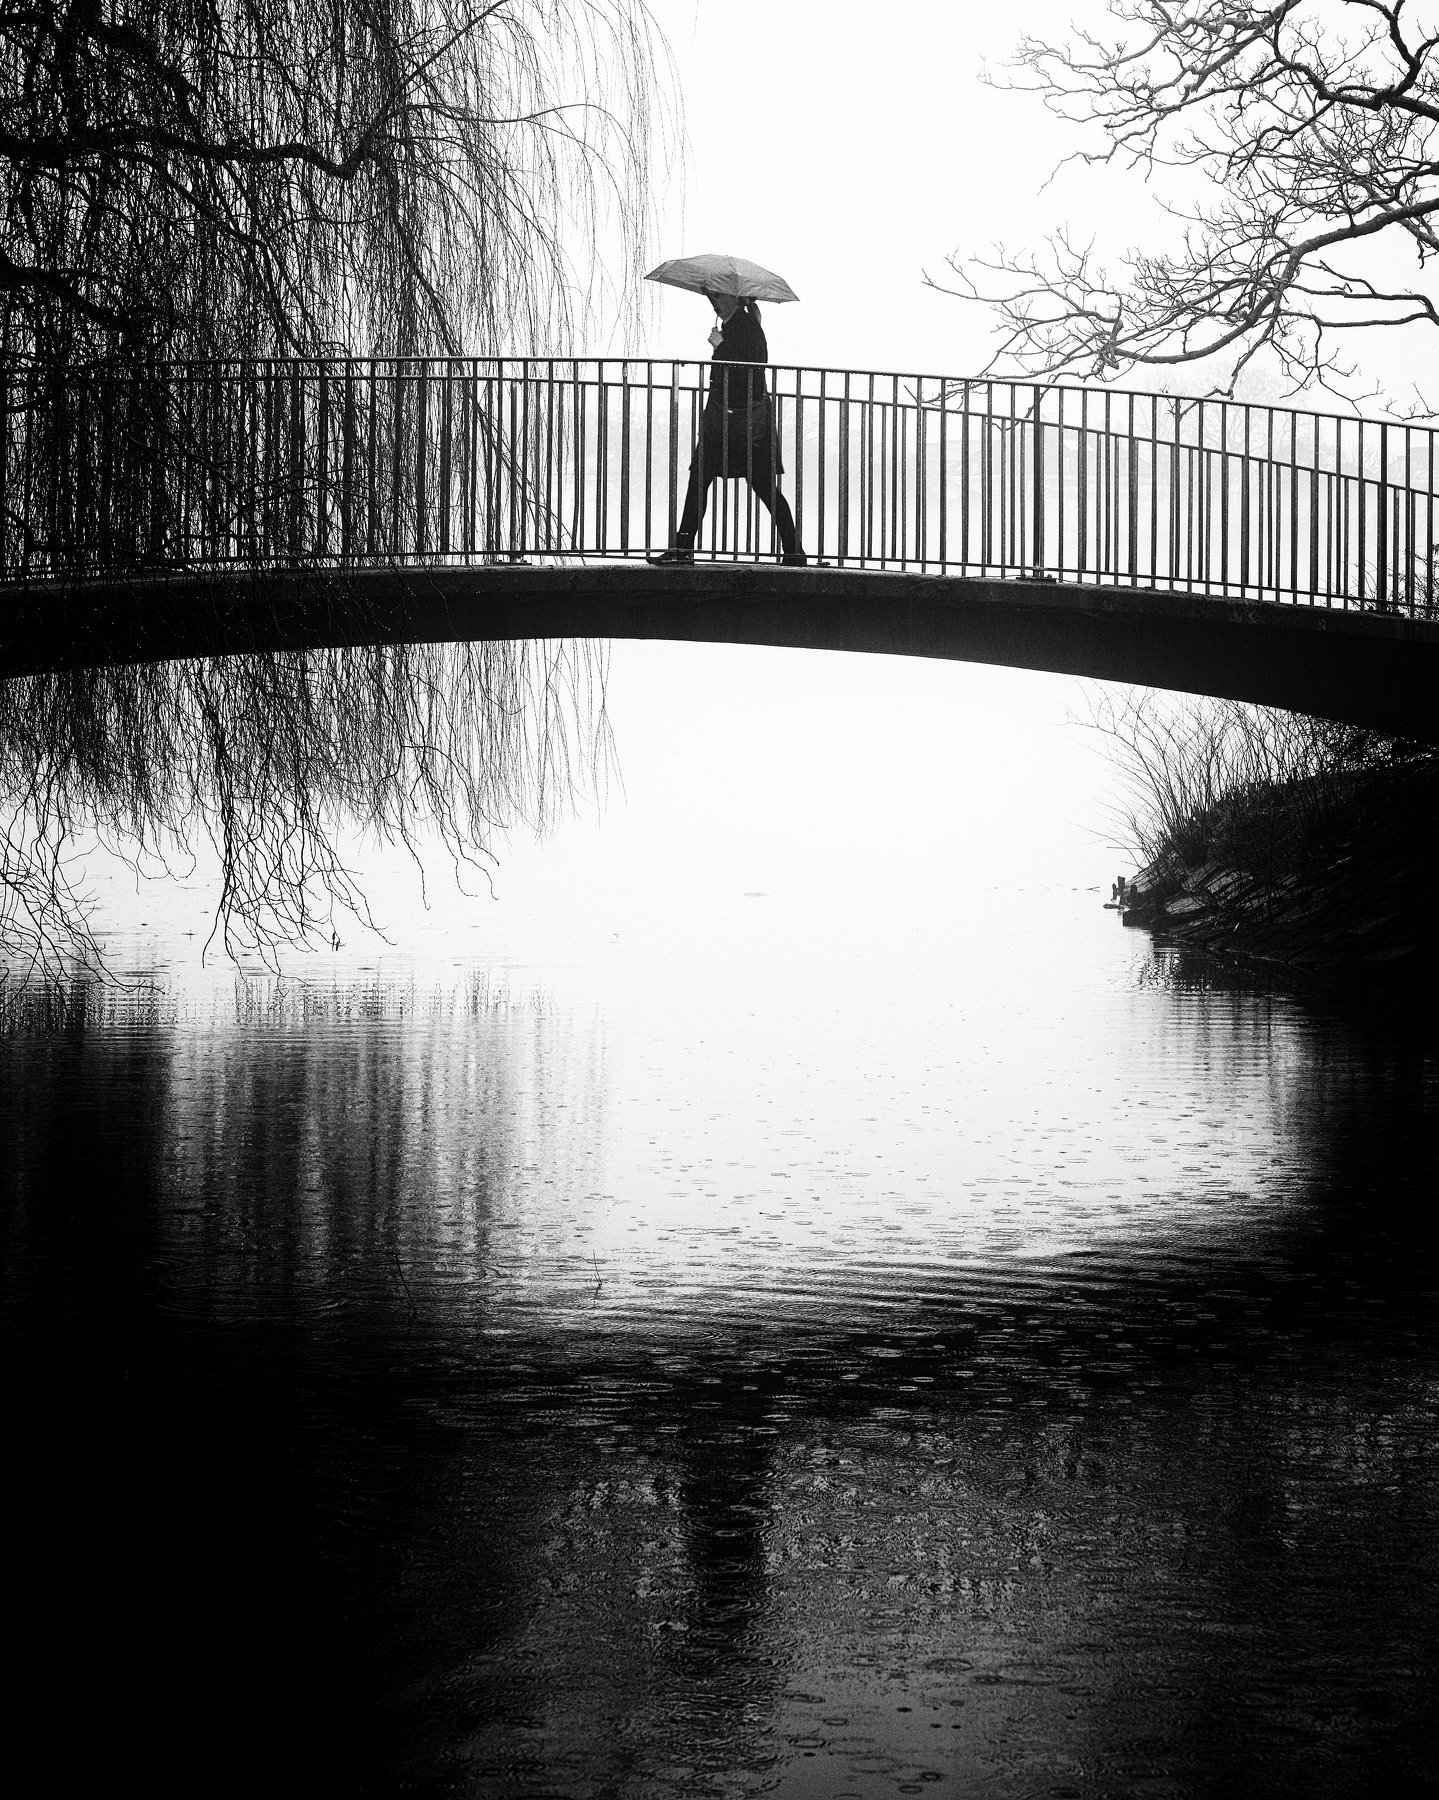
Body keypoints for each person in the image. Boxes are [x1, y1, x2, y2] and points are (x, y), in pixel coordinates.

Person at [650, 292, 806, 565]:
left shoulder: (746, 327)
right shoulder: (740, 325)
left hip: (738, 426)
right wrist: (720, 346)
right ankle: (792, 551)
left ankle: (684, 548)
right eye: (711, 297)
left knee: (747, 485)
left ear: (735, 299)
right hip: (737, 426)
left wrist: (720, 347)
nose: (714, 302)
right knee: (729, 482)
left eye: (719, 297)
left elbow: (751, 367)